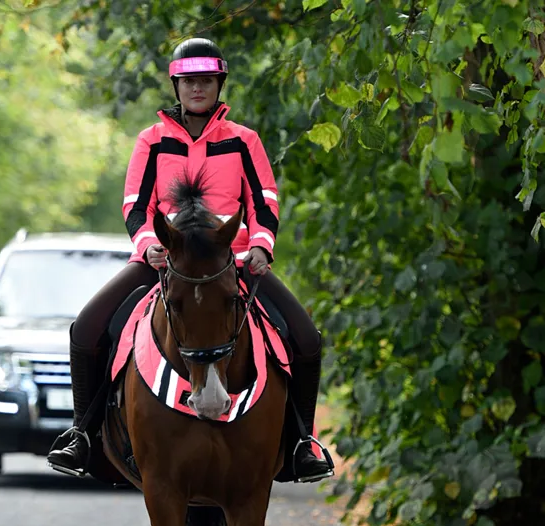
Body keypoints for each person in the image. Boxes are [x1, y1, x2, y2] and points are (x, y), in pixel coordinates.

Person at [47, 37, 333, 483]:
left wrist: (260, 244)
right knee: (86, 328)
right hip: (165, 261)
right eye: (188, 82)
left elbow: (266, 201)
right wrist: (148, 245)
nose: (197, 89)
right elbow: (135, 206)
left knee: (306, 339)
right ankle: (81, 435)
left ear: (219, 84)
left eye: (206, 81)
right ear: (176, 87)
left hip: (233, 264)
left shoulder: (244, 141)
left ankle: (302, 443)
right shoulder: (152, 141)